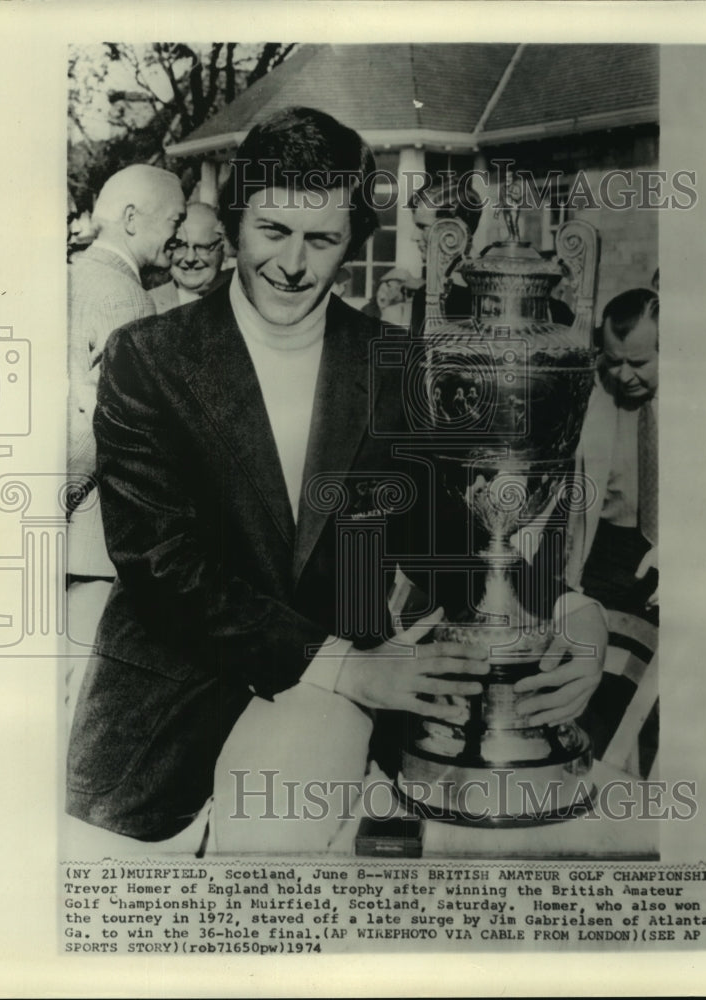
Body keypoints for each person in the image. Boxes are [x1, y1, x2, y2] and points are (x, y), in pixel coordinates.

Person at [66, 107, 605, 853]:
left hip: (323, 708)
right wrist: (346, 665)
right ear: (234, 223)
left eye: (321, 239)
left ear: (353, 241)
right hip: (159, 726)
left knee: (275, 847)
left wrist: (568, 609)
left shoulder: (396, 362)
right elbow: (161, 564)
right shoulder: (146, 357)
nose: (292, 264)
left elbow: (447, 541)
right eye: (272, 231)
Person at [66, 164, 185, 653]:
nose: (179, 237)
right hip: (90, 543)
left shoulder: (73, 276)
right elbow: (99, 427)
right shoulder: (130, 301)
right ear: (132, 219)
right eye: (175, 221)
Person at [566, 288, 659, 623]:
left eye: (638, 363)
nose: (623, 376)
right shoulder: (592, 386)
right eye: (614, 361)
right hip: (605, 552)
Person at [408, 178, 483, 337]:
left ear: (455, 227)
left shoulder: (489, 292)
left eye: (423, 227)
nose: (413, 237)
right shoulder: (425, 295)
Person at [150, 202, 227, 312]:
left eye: (202, 247)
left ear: (222, 246)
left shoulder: (241, 302)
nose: (190, 258)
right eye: (180, 247)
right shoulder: (148, 304)